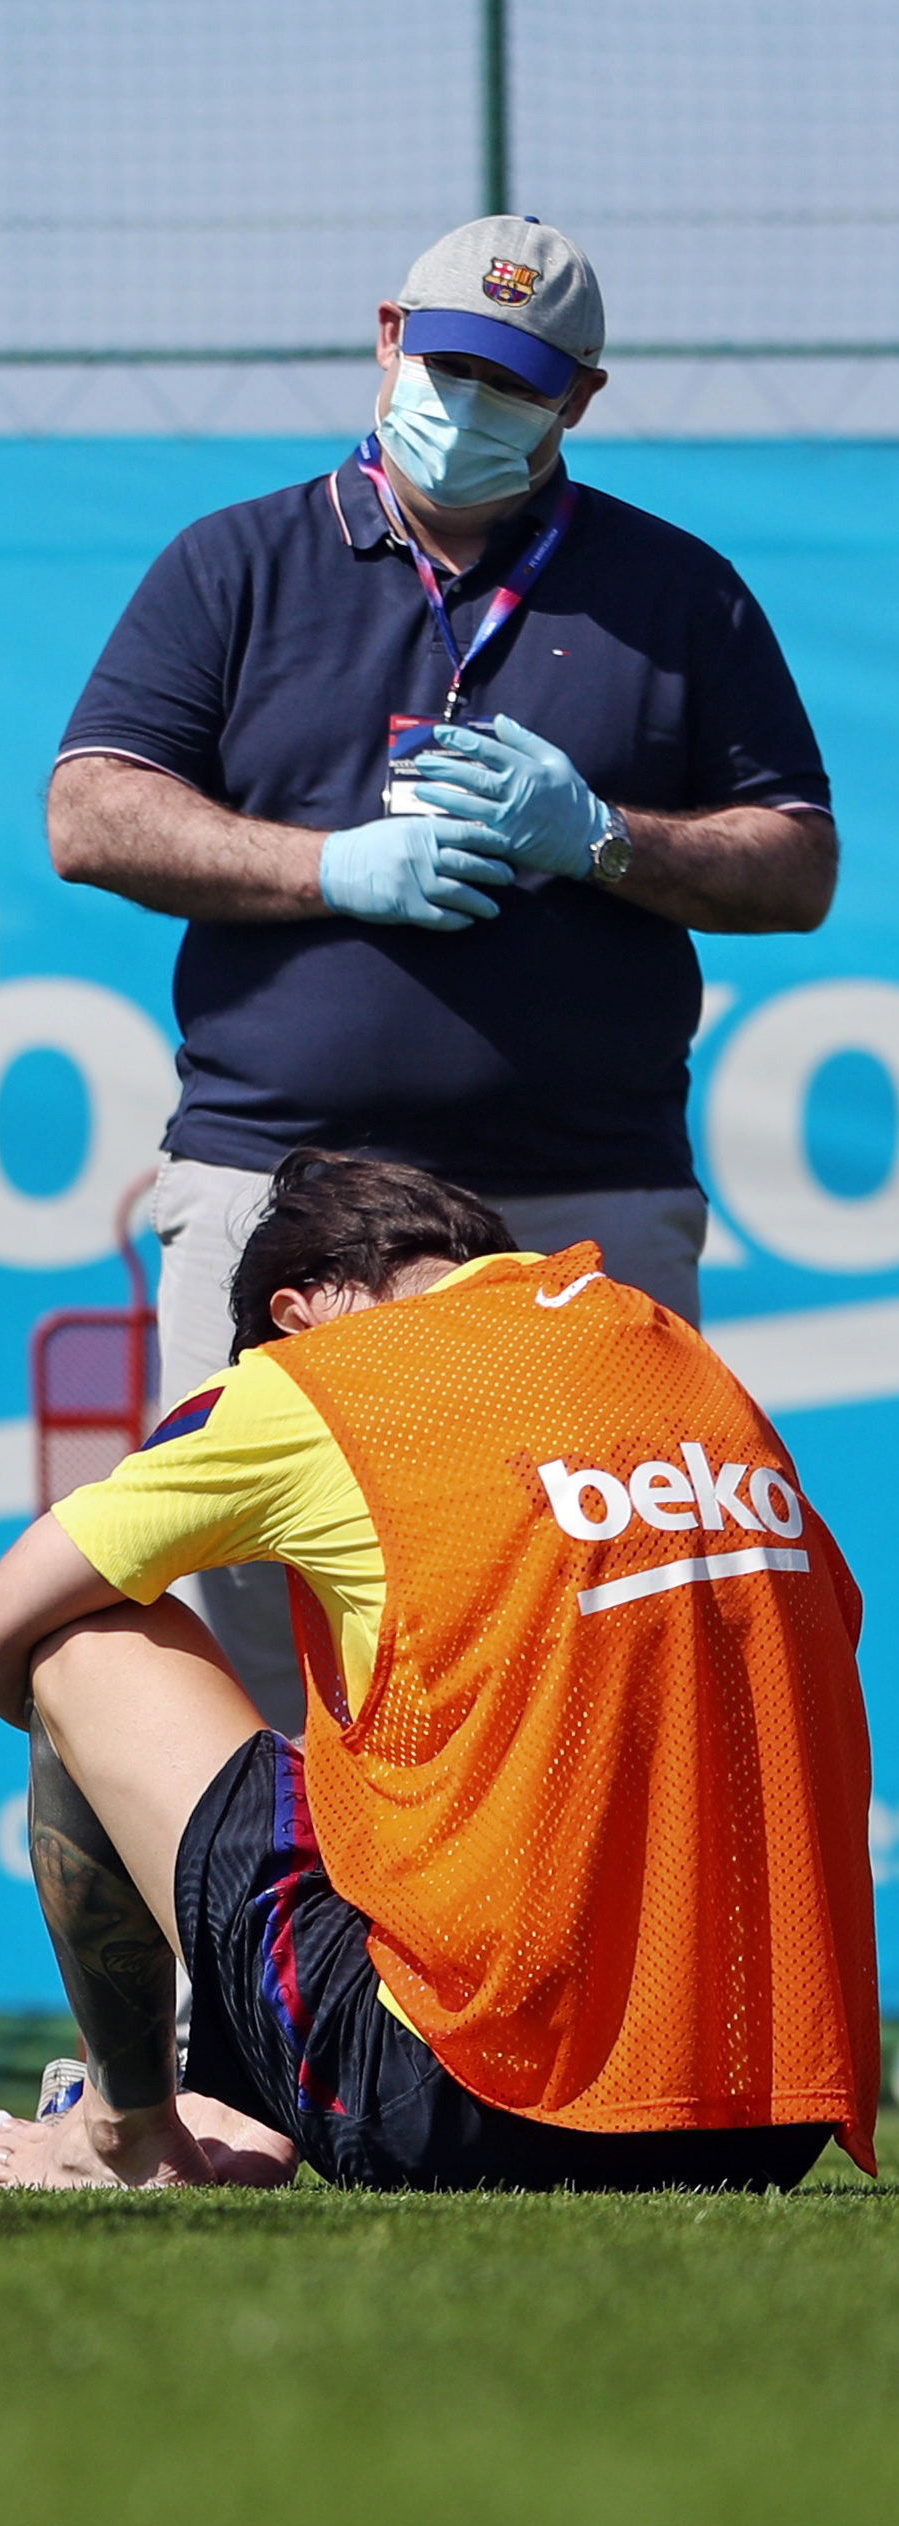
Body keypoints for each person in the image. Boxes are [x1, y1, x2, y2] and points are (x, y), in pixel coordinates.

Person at [49, 215, 838, 1724]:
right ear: (389, 338)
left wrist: (603, 838)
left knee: (595, 1656)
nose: (469, 404)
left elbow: (796, 863)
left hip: (580, 1211)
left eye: (515, 382)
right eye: (451, 361)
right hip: (282, 1206)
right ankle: (252, 1968)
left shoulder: (677, 591)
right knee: (251, 1663)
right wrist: (327, 866)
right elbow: (90, 813)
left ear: (580, 400)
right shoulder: (238, 563)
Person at [0, 1148, 872, 2194]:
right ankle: (240, 2096)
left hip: (462, 2108)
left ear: (292, 1313)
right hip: (762, 2117)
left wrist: (127, 1799)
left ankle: (120, 2132)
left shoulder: (313, 1378)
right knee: (401, 1771)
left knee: (79, 1640)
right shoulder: (665, 1352)